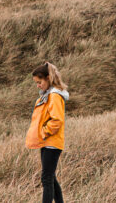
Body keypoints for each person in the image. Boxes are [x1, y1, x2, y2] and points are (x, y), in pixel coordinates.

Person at [25, 61, 69, 203]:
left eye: (39, 82)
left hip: (52, 142)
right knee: (50, 176)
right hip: (47, 142)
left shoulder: (54, 96)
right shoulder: (47, 95)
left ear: (48, 79)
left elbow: (57, 120)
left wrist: (43, 132)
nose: (38, 85)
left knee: (46, 178)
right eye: (36, 83)